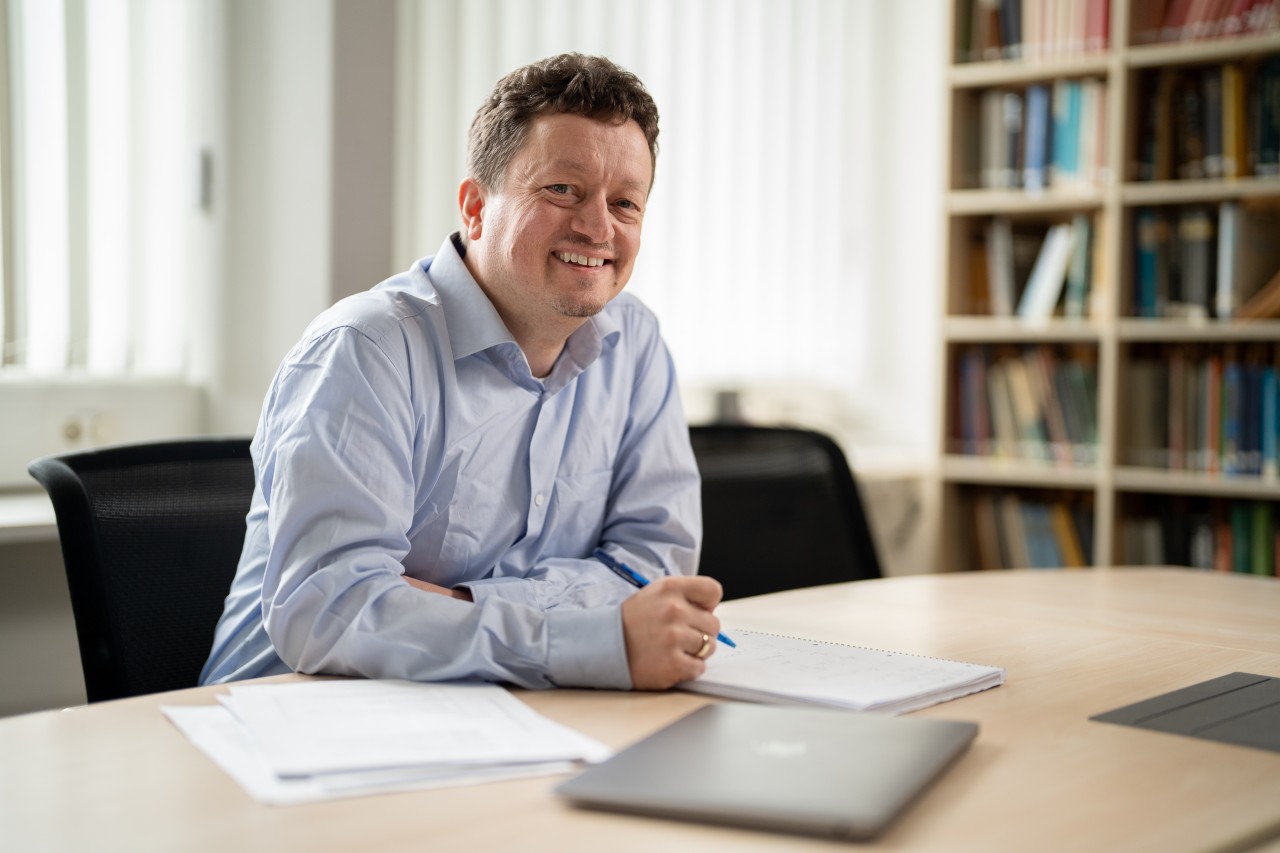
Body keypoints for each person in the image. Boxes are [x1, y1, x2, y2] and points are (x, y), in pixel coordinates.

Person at [200, 53, 722, 692]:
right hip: (290, 724)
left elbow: (654, 568)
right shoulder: (366, 350)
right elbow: (329, 613)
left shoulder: (634, 342)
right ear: (475, 207)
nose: (596, 227)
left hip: (500, 714)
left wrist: (461, 605)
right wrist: (577, 634)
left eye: (625, 203)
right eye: (562, 190)